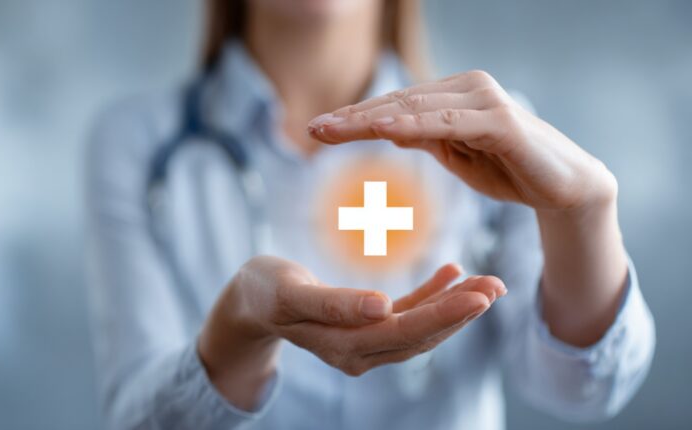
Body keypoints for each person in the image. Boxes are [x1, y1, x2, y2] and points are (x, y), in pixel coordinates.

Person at [86, 1, 655, 429]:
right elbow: (136, 418)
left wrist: (582, 212)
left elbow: (580, 390)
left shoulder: (500, 138)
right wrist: (238, 330)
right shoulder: (136, 143)